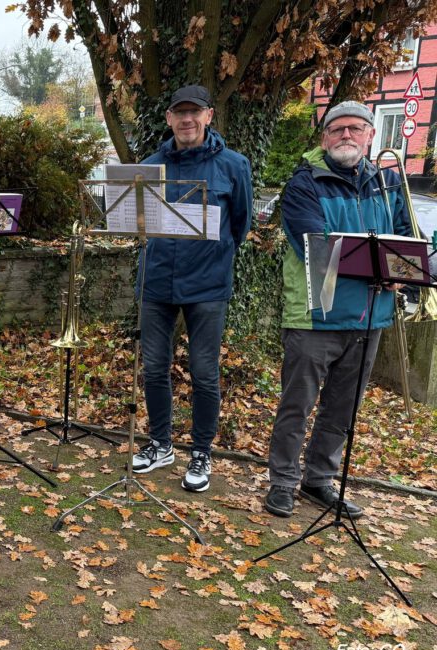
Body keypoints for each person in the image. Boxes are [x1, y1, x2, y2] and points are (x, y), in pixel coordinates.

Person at [264, 101, 411, 518]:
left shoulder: (388, 183)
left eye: (355, 129)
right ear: (325, 138)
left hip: (371, 314)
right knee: (298, 404)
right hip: (316, 313)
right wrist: (379, 265)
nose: (346, 136)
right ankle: (283, 481)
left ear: (369, 136)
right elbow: (316, 243)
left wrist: (401, 270)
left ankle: (318, 480)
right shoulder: (304, 184)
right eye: (337, 129)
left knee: (343, 408)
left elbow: (406, 238)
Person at [130, 85, 253, 493]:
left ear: (209, 116)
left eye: (194, 112)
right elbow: (136, 222)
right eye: (179, 112)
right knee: (153, 368)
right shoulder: (149, 166)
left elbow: (241, 224)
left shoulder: (234, 166)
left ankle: (201, 451)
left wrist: (212, 254)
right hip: (156, 282)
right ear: (168, 119)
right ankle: (160, 443)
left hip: (207, 285)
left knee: (204, 372)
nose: (187, 120)